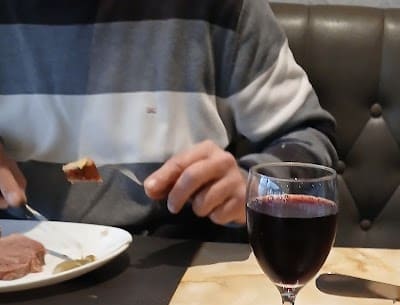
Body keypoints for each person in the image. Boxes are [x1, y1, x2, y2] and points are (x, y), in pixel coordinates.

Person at [0, 1, 336, 238]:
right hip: (20, 266)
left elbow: (308, 138)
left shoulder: (222, 8)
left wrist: (255, 186)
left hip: (185, 267)